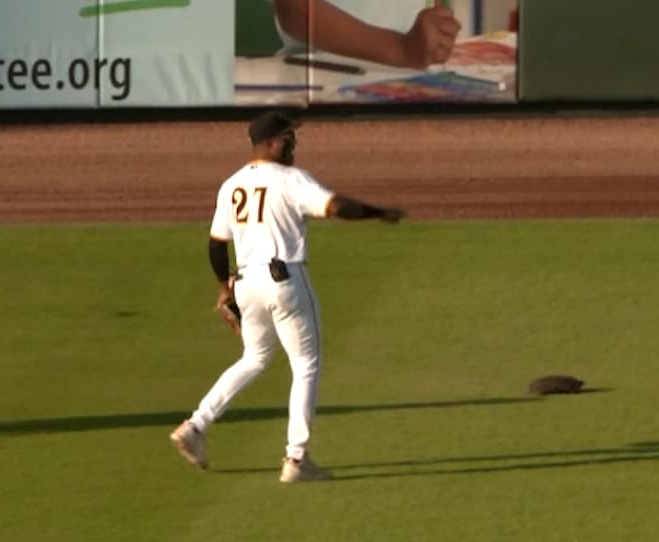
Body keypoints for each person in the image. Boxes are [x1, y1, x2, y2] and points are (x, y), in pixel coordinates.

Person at [170, 111, 404, 483]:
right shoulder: (292, 180)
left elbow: (217, 245)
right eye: (289, 138)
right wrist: (379, 212)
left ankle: (196, 426)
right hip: (285, 279)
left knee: (255, 357)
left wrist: (223, 289)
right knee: (306, 364)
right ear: (272, 144)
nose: (294, 144)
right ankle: (296, 459)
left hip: (246, 283)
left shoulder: (231, 185)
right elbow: (336, 207)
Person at [269, 0, 461, 69]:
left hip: (409, 79)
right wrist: (400, 49)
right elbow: (294, 9)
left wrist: (436, 37)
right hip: (319, 79)